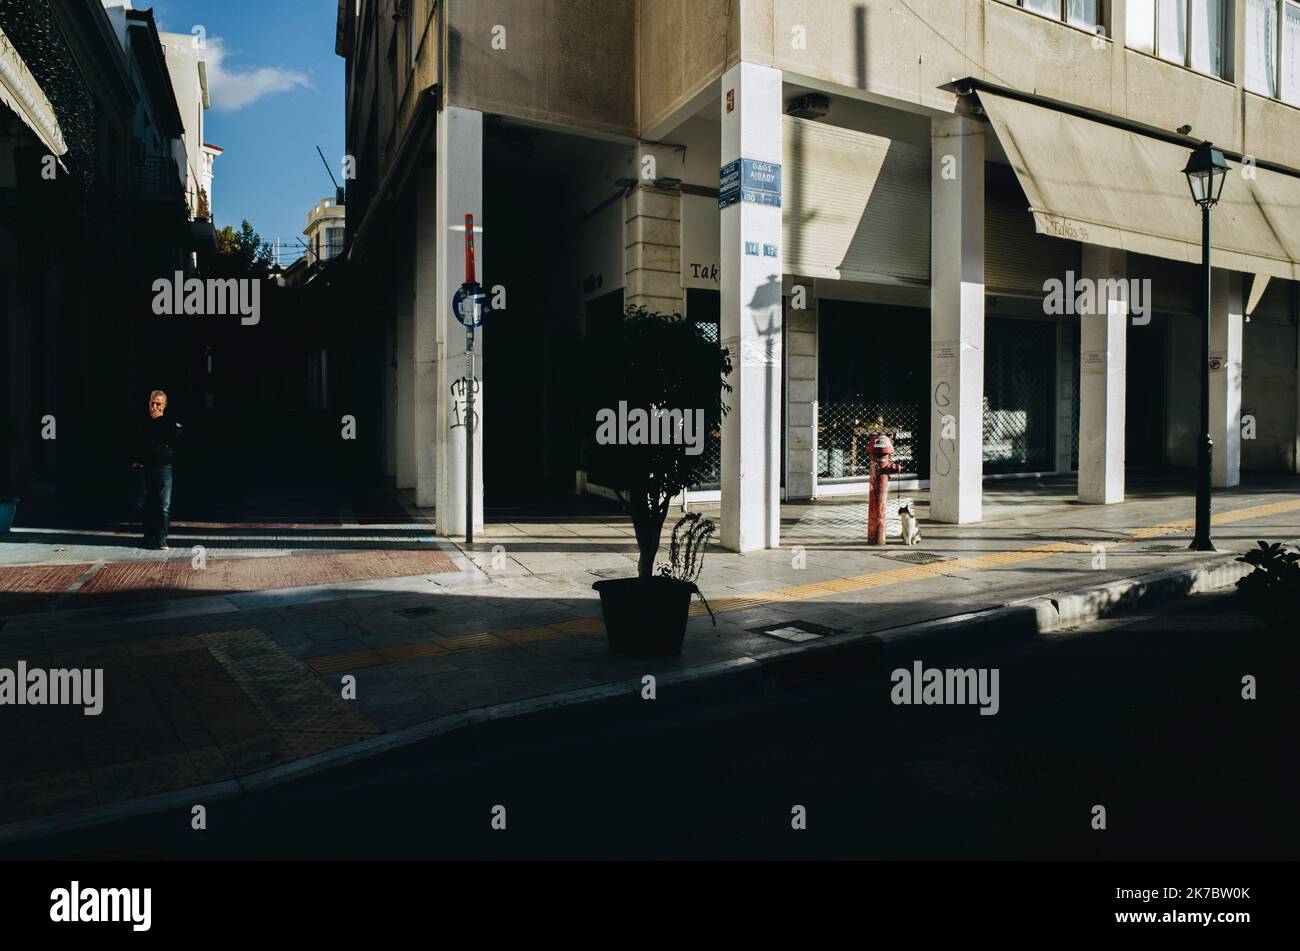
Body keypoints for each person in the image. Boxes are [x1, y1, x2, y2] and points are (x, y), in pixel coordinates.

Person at [130, 390, 182, 550]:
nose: (154, 407)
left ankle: (161, 538)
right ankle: (148, 535)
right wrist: (135, 460)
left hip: (163, 467)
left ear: (164, 405)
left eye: (158, 404)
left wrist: (158, 421)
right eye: (152, 403)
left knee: (163, 504)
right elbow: (135, 441)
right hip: (145, 467)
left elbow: (172, 438)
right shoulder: (142, 422)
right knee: (145, 503)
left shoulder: (169, 423)